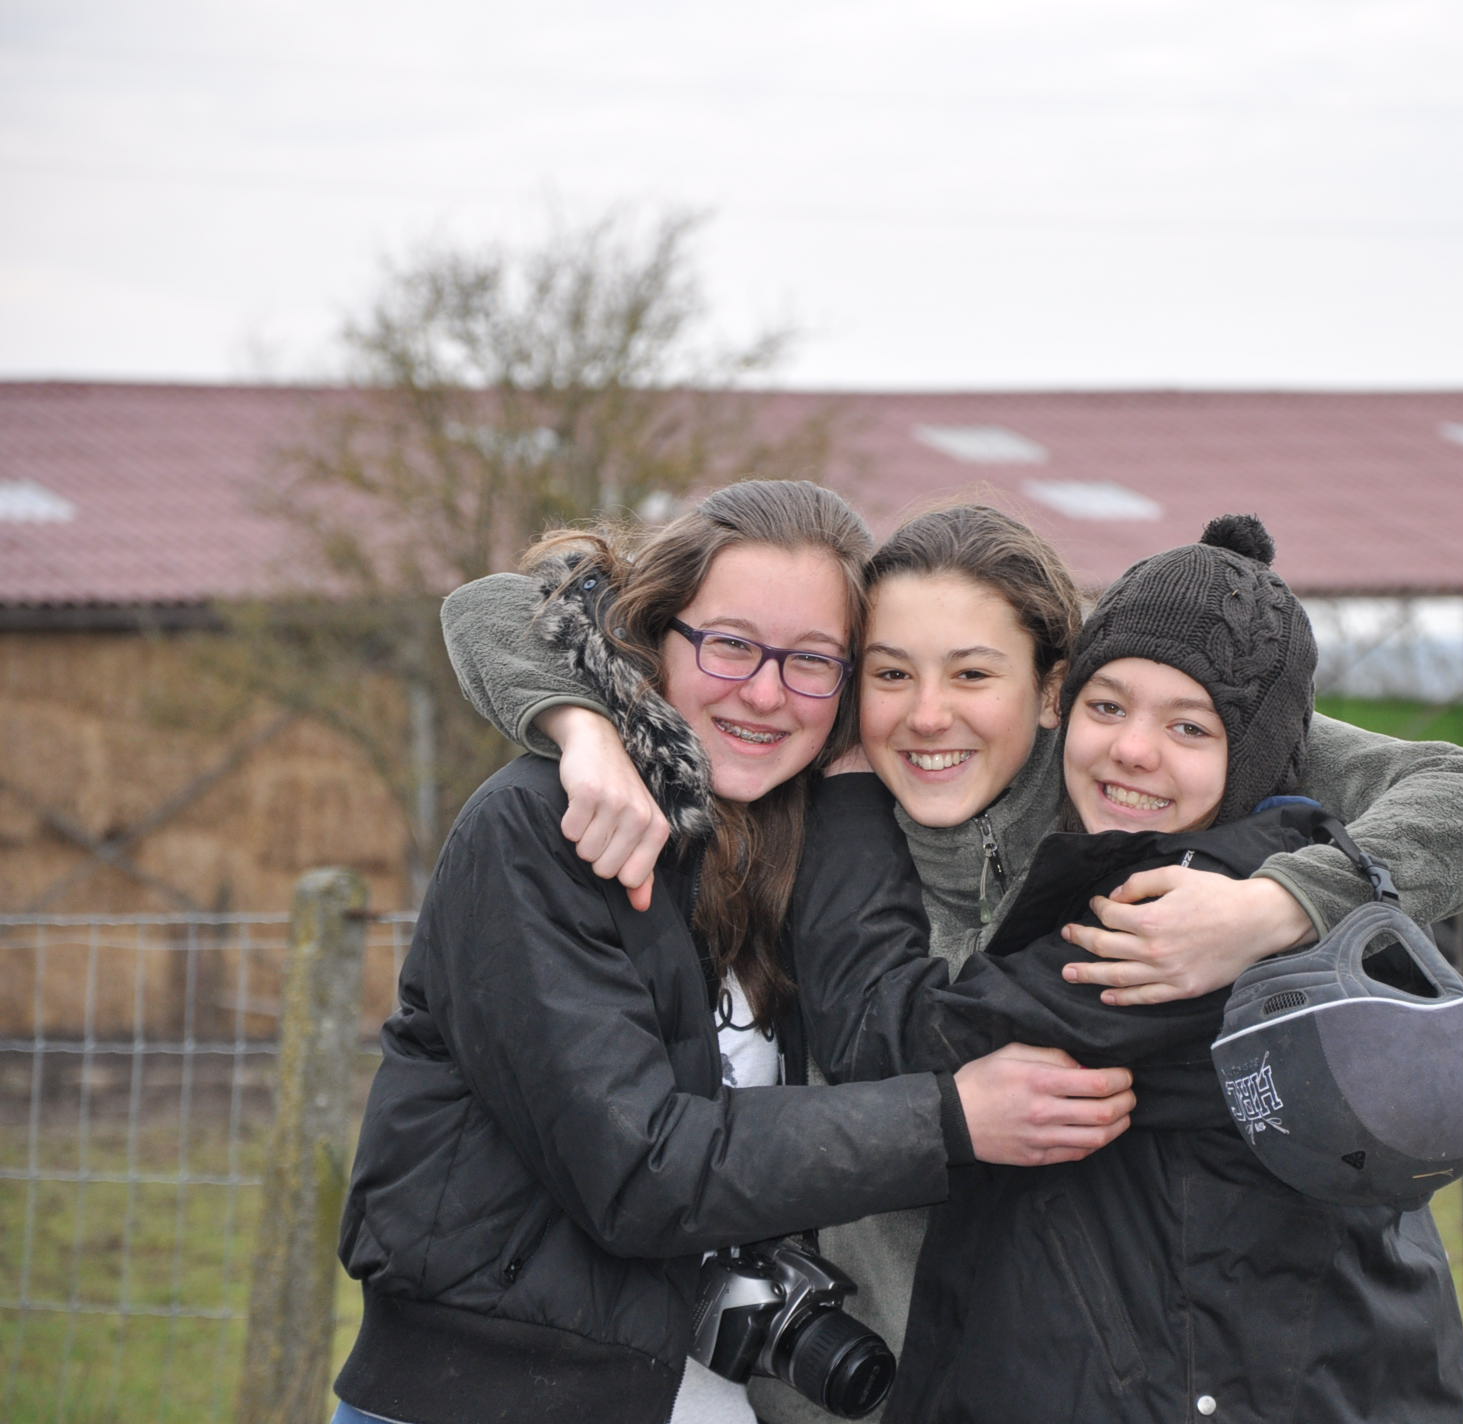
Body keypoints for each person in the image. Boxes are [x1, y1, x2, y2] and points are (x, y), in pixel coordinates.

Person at [440, 501, 1463, 1421]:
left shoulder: (1123, 749)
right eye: (889, 673)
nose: (929, 715)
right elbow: (500, 605)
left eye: (974, 674)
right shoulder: (820, 746)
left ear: (1049, 681)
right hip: (841, 1364)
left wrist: (1272, 902)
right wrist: (579, 726)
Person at [331, 482, 1136, 1424]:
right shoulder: (543, 828)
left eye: (812, 661)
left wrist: (1279, 899)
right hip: (489, 1394)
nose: (764, 691)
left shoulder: (804, 831)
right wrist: (951, 1119)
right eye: (730, 644)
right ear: (657, 632)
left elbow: (1238, 719)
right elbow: (637, 1169)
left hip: (715, 1396)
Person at [789, 514, 1463, 1421]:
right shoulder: (1198, 865)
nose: (1131, 748)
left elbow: (888, 1033)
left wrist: (843, 791)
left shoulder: (1175, 918)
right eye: (1109, 706)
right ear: (1067, 707)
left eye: (1189, 728)